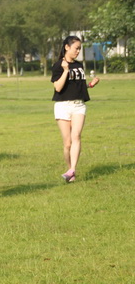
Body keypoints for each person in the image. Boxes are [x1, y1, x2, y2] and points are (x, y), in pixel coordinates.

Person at [51, 36, 99, 183]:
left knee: (76, 136)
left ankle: (72, 169)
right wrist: (65, 70)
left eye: (79, 49)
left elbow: (78, 86)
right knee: (67, 143)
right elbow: (58, 87)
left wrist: (90, 85)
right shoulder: (58, 65)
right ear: (67, 47)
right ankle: (69, 170)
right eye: (76, 48)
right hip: (63, 105)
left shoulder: (79, 65)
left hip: (79, 105)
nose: (78, 51)